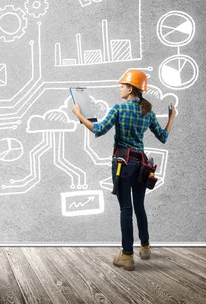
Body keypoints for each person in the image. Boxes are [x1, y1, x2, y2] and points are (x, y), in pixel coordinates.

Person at [72, 69, 176, 271]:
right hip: (142, 166)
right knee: (140, 207)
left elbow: (99, 130)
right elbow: (163, 137)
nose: (120, 89)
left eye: (122, 86)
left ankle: (127, 255)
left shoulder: (119, 108)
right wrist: (172, 117)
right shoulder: (148, 112)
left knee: (125, 209)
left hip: (122, 164)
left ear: (130, 88)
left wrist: (78, 115)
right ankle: (145, 247)